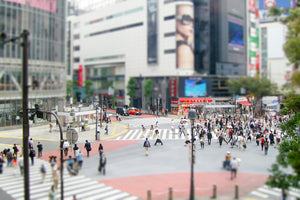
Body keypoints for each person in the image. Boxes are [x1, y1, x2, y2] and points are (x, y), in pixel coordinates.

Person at [176, 4, 194, 69]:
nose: (192, 25)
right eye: (187, 19)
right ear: (176, 21)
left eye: (194, 20)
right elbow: (188, 76)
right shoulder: (184, 50)